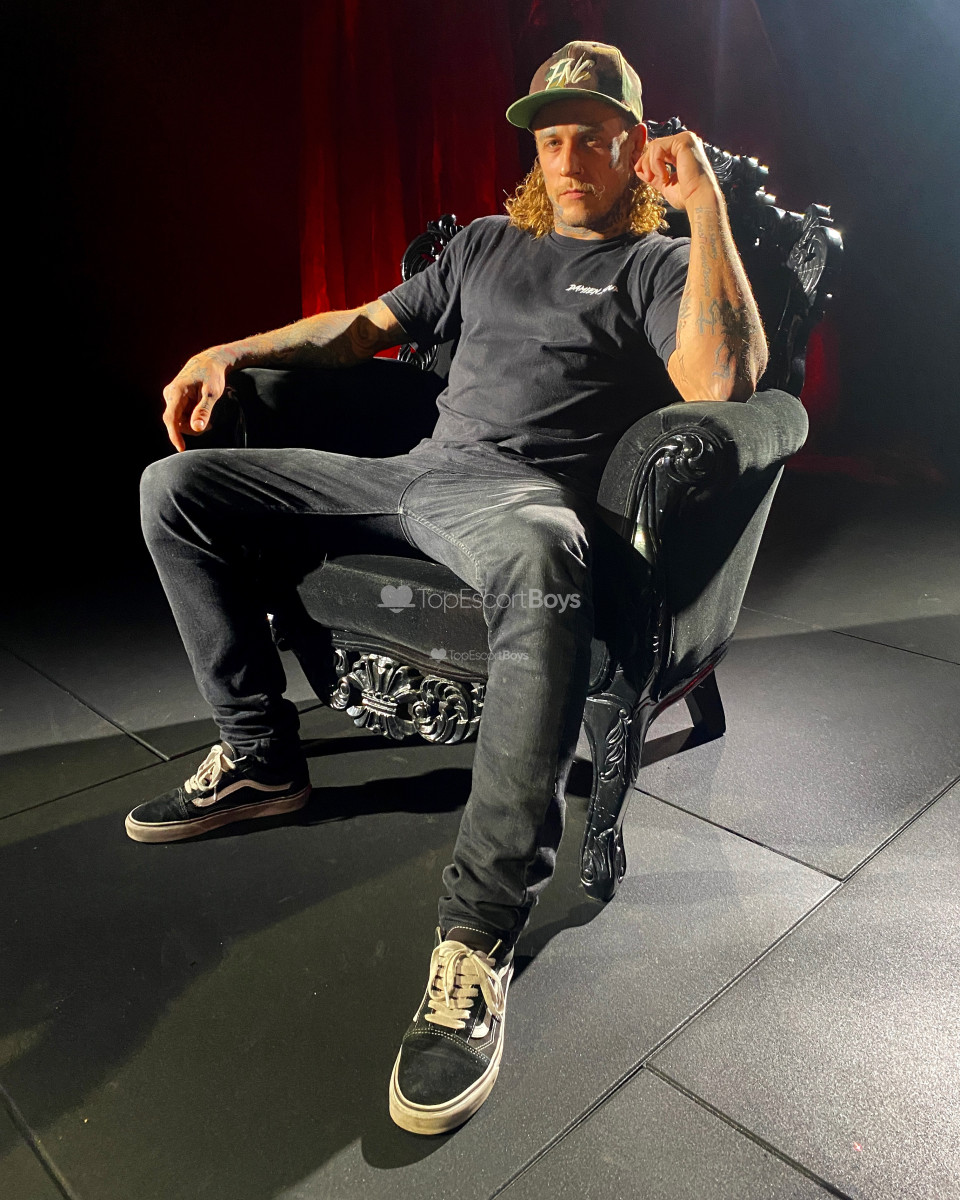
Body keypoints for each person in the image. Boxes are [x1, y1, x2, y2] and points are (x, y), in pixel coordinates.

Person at [128, 41, 767, 1134]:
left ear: (635, 147)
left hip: (519, 502)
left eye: (593, 137)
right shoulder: (482, 244)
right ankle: (263, 758)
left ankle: (477, 932)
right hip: (411, 473)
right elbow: (361, 329)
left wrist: (705, 208)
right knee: (174, 487)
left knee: (543, 557)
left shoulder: (656, 266)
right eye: (551, 138)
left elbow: (724, 380)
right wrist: (232, 349)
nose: (567, 159)